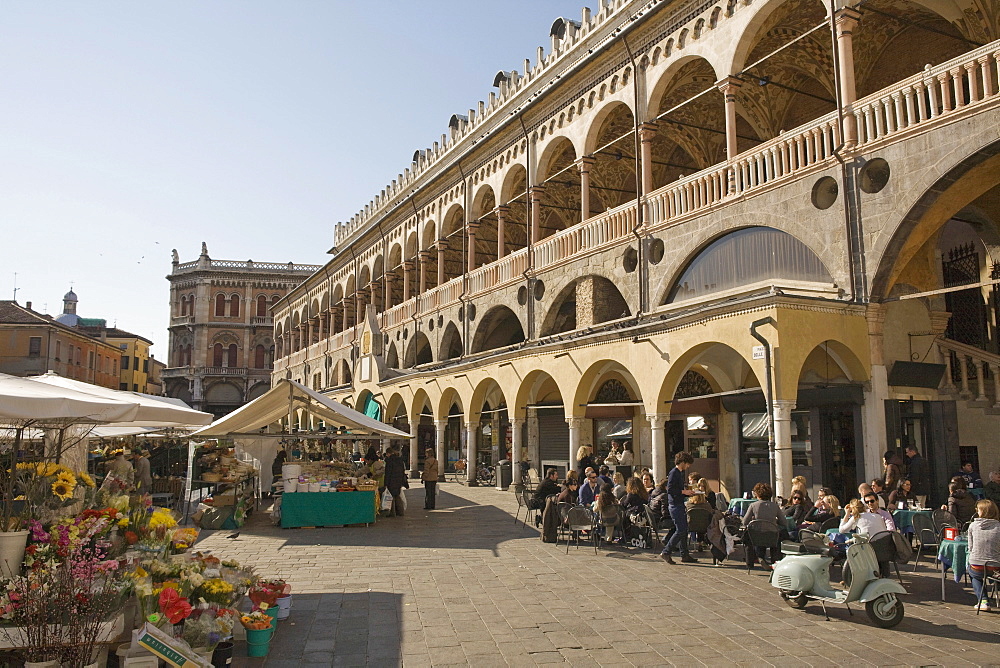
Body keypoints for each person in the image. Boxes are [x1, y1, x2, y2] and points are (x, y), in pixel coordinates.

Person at [660, 451, 698, 565]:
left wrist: (686, 491)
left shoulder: (678, 473)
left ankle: (684, 554)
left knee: (684, 529)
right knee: (680, 530)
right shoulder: (674, 473)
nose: (688, 466)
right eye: (687, 464)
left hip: (678, 503)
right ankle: (666, 551)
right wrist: (684, 491)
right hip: (675, 505)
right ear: (682, 462)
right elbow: (670, 489)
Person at [967, 499, 1000, 611]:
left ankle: (984, 600)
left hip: (977, 564)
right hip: (996, 566)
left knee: (973, 573)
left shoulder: (973, 526)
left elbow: (970, 547)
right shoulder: (998, 526)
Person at [742, 482, 783, 567]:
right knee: (778, 536)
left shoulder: (753, 505)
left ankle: (750, 562)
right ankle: (775, 561)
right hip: (772, 535)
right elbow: (784, 522)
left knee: (747, 538)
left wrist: (754, 520)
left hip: (756, 535)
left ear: (757, 494)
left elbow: (745, 522)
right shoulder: (775, 506)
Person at [383, 446, 409, 516]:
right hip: (398, 480)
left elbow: (388, 473)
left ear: (388, 453)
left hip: (391, 481)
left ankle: (392, 512)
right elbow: (403, 471)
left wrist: (386, 483)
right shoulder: (400, 460)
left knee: (391, 497)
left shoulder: (389, 461)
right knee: (397, 495)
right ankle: (400, 511)